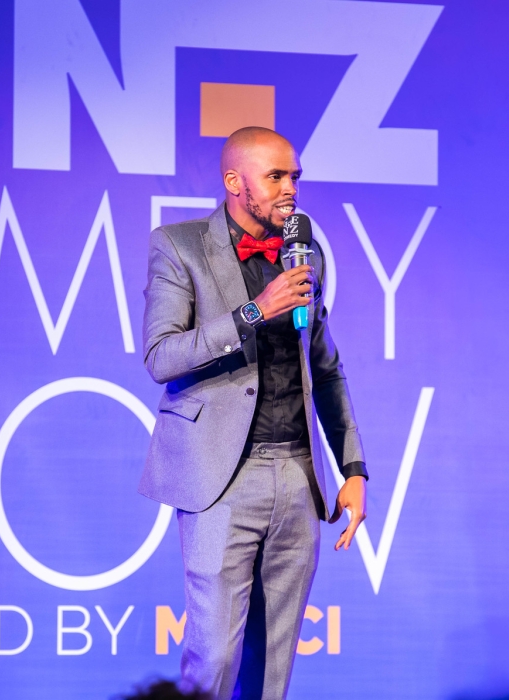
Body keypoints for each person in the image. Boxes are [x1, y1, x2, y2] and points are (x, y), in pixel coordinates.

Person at [139, 126, 368, 700]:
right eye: (276, 177)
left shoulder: (304, 252)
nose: (290, 189)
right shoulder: (179, 245)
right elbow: (160, 356)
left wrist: (354, 470)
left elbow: (326, 367)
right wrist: (252, 311)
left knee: (272, 667)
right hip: (221, 476)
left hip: (296, 474)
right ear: (234, 182)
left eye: (295, 176)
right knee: (213, 657)